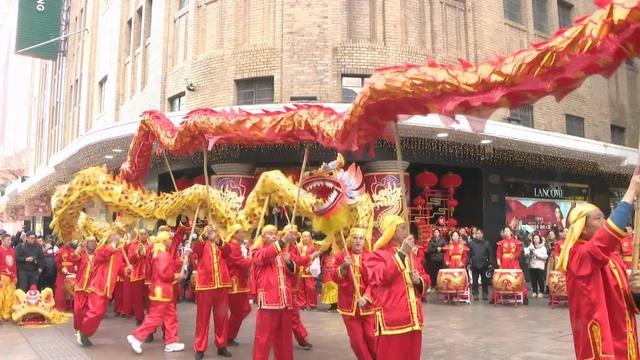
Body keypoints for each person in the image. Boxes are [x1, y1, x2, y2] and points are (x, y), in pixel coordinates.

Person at [558, 166, 640, 360]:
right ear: (582, 228)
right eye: (598, 218)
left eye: (605, 217)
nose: (605, 222)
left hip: (624, 340)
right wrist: (630, 193)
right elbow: (602, 244)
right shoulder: (577, 255)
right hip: (603, 344)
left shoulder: (612, 257)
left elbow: (627, 302)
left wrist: (635, 291)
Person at [366, 215, 429, 360]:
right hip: (392, 319)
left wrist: (418, 281)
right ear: (392, 231)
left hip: (413, 319)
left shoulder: (412, 255)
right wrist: (401, 253)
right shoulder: (376, 255)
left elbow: (425, 278)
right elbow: (382, 277)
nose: (407, 231)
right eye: (402, 228)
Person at [252, 224, 318, 360]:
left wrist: (289, 263)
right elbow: (263, 257)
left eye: (275, 233)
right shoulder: (257, 251)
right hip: (268, 302)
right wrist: (282, 241)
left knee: (285, 340)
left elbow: (293, 273)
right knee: (263, 339)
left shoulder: (284, 253)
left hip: (285, 301)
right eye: (270, 234)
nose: (274, 235)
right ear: (263, 237)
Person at [127, 230, 185, 354]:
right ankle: (137, 337)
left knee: (170, 317)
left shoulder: (159, 253)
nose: (171, 240)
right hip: (162, 291)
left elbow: (168, 267)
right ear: (164, 241)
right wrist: (176, 276)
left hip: (162, 291)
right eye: (170, 238)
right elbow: (165, 274)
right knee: (156, 317)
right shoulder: (163, 254)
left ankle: (172, 341)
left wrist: (180, 260)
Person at [77, 230, 128, 347]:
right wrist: (113, 246)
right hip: (98, 286)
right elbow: (101, 257)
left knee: (99, 314)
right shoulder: (101, 249)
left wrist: (127, 271)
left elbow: (120, 270)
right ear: (108, 238)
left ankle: (86, 333)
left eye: (118, 236)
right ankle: (83, 331)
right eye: (114, 236)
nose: (117, 238)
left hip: (108, 289)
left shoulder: (119, 253)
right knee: (96, 311)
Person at [334, 227, 375, 360]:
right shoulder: (341, 256)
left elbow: (375, 282)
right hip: (348, 306)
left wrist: (366, 297)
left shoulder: (370, 258)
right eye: (355, 238)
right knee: (357, 341)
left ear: (365, 241)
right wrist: (344, 267)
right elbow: (334, 277)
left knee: (372, 336)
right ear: (350, 240)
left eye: (361, 238)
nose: (358, 241)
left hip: (368, 306)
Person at [192, 225, 233, 359]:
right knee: (202, 319)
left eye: (214, 230)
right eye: (209, 230)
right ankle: (200, 348)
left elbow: (228, 252)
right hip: (205, 285)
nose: (212, 232)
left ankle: (221, 345)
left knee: (222, 317)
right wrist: (204, 237)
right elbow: (196, 251)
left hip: (222, 284)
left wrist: (218, 241)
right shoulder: (201, 242)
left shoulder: (221, 241)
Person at [225, 224, 252, 347]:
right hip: (235, 283)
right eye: (241, 232)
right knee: (239, 311)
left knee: (243, 310)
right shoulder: (232, 246)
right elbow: (241, 262)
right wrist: (252, 258)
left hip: (239, 282)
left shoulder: (236, 245)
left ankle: (229, 335)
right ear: (235, 233)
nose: (243, 234)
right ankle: (227, 335)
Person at [495, 227, 528, 304]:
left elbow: (519, 251)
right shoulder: (501, 243)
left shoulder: (516, 242)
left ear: (511, 232)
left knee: (516, 278)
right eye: (505, 231)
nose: (506, 232)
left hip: (513, 262)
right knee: (503, 279)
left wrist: (514, 256)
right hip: (504, 262)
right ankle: (501, 296)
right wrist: (498, 261)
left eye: (507, 231)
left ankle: (522, 296)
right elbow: (499, 253)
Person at [73, 236, 97, 337]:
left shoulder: (98, 255)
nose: (93, 243)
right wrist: (77, 251)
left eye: (94, 242)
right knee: (78, 310)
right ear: (86, 243)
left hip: (92, 288)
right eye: (90, 242)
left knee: (90, 311)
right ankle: (78, 328)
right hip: (80, 287)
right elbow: (72, 258)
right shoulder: (82, 255)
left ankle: (85, 330)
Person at [125, 229, 150, 325]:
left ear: (147, 234)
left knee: (149, 299)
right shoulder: (133, 245)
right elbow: (130, 260)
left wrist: (147, 254)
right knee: (137, 299)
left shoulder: (151, 245)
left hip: (149, 275)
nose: (143, 236)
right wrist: (138, 253)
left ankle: (150, 318)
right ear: (138, 235)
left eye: (145, 234)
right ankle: (139, 318)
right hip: (136, 275)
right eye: (141, 234)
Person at [54, 239, 81, 311]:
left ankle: (71, 306)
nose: (69, 242)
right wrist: (62, 268)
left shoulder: (72, 251)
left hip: (71, 271)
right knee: (61, 290)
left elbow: (76, 260)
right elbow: (57, 262)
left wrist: (75, 266)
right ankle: (61, 307)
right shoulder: (60, 251)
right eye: (67, 240)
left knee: (72, 289)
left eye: (69, 240)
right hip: (62, 273)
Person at [296, 231, 318, 309]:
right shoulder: (298, 247)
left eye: (307, 236)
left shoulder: (313, 247)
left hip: (308, 270)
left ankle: (312, 304)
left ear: (310, 238)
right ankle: (302, 304)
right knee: (300, 288)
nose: (305, 238)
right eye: (304, 236)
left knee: (310, 287)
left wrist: (311, 266)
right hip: (300, 269)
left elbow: (316, 259)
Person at [468, 229, 491, 301]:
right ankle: (475, 294)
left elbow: (490, 254)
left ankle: (485, 294)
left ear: (482, 235)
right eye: (477, 233)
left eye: (480, 233)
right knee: (474, 281)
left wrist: (490, 263)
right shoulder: (471, 243)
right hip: (475, 264)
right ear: (475, 234)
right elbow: (469, 254)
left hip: (484, 264)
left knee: (485, 281)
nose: (478, 235)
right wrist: (468, 262)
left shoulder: (487, 243)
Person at [524, 234, 548, 298]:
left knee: (540, 279)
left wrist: (536, 253)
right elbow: (526, 255)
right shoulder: (530, 246)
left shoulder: (543, 247)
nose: (535, 240)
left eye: (537, 238)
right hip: (532, 265)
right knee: (533, 280)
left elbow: (545, 257)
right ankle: (535, 292)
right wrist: (528, 253)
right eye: (534, 238)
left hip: (540, 266)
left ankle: (541, 292)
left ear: (539, 239)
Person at [0, 233, 17, 321]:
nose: (10, 242)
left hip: (11, 277)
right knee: (1, 297)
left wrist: (15, 277)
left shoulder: (12, 250)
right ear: (2, 240)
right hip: (2, 276)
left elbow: (14, 265)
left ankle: (7, 314)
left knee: (10, 297)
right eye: (8, 240)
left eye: (10, 240)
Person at [426, 228, 447, 293]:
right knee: (434, 274)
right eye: (435, 232)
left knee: (441, 274)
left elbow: (446, 248)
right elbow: (429, 250)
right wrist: (435, 249)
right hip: (433, 259)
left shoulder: (443, 240)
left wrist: (441, 249)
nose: (436, 233)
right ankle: (434, 286)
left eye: (437, 232)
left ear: (439, 233)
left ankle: (442, 287)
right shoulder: (431, 241)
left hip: (441, 259)